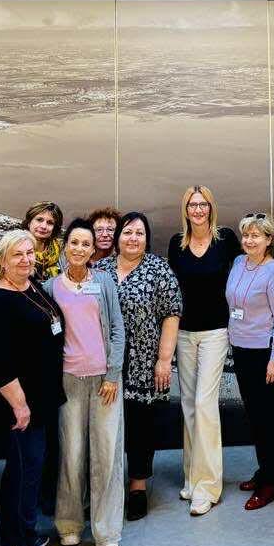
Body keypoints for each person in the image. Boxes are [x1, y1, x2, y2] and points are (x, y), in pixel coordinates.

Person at [0, 230, 66, 546]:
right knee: (26, 473)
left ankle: (7, 537)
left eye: (30, 253)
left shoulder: (31, 285)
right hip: (20, 402)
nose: (26, 259)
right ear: (2, 260)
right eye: (18, 254)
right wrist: (19, 405)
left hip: (40, 397)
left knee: (22, 469)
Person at [45, 219, 126, 546]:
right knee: (71, 453)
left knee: (107, 456)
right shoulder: (50, 287)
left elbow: (118, 329)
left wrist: (113, 374)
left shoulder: (104, 282)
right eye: (74, 242)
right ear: (66, 247)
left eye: (86, 244)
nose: (79, 248)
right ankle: (69, 523)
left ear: (94, 250)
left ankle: (107, 536)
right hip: (68, 382)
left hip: (105, 382)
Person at [95, 212, 182, 521]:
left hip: (145, 361)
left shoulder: (158, 269)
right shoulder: (100, 270)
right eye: (128, 232)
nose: (133, 238)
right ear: (117, 237)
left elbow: (172, 314)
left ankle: (137, 486)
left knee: (141, 426)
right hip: (105, 363)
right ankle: (106, 486)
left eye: (139, 233)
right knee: (106, 425)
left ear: (147, 239)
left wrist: (164, 360)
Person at [166, 186, 240, 516]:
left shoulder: (225, 240)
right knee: (188, 405)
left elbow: (245, 271)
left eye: (203, 204)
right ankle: (191, 476)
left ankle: (207, 486)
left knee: (204, 403)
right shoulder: (176, 244)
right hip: (184, 332)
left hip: (215, 332)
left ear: (211, 208)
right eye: (192, 205)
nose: (198, 210)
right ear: (185, 210)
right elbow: (173, 290)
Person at [226, 213, 274, 511]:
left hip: (265, 354)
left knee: (267, 419)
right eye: (246, 235)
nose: (249, 240)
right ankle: (263, 470)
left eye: (256, 236)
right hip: (241, 350)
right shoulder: (239, 263)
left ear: (269, 240)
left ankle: (270, 482)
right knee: (254, 416)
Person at [22, 201, 65, 282]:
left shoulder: (61, 248)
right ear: (29, 222)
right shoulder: (16, 247)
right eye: (39, 220)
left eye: (50, 223)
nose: (44, 226)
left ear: (54, 228)